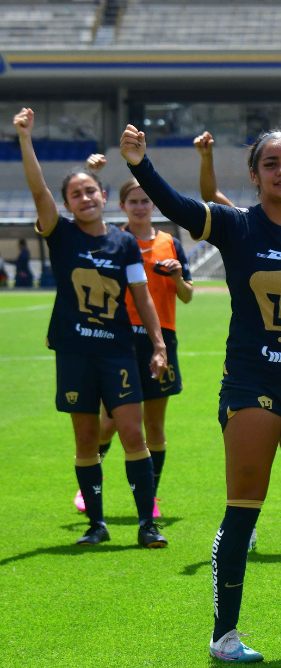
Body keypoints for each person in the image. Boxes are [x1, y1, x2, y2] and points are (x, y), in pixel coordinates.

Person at [122, 124, 281, 660]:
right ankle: (225, 636)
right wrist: (140, 165)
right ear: (255, 174)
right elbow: (179, 206)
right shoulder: (238, 227)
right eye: (271, 163)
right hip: (250, 384)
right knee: (243, 510)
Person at [16, 108, 169, 549]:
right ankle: (96, 524)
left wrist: (157, 345)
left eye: (90, 191)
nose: (84, 198)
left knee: (131, 432)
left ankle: (146, 523)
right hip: (75, 352)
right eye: (75, 195)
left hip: (118, 351)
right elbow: (37, 188)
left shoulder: (123, 242)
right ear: (66, 205)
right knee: (85, 438)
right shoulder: (59, 234)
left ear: (103, 196)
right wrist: (26, 138)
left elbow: (141, 298)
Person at [194, 131, 281, 556]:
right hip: (255, 364)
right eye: (272, 166)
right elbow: (210, 196)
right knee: (254, 453)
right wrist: (208, 156)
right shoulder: (250, 226)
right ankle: (245, 526)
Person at [84, 153, 194, 522]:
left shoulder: (170, 243)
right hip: (119, 340)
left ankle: (152, 496)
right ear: (122, 206)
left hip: (161, 338)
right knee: (110, 420)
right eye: (134, 201)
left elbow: (187, 295)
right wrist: (93, 174)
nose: (141, 206)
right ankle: (90, 482)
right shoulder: (114, 241)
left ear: (153, 204)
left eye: (146, 200)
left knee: (155, 425)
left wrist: (178, 276)